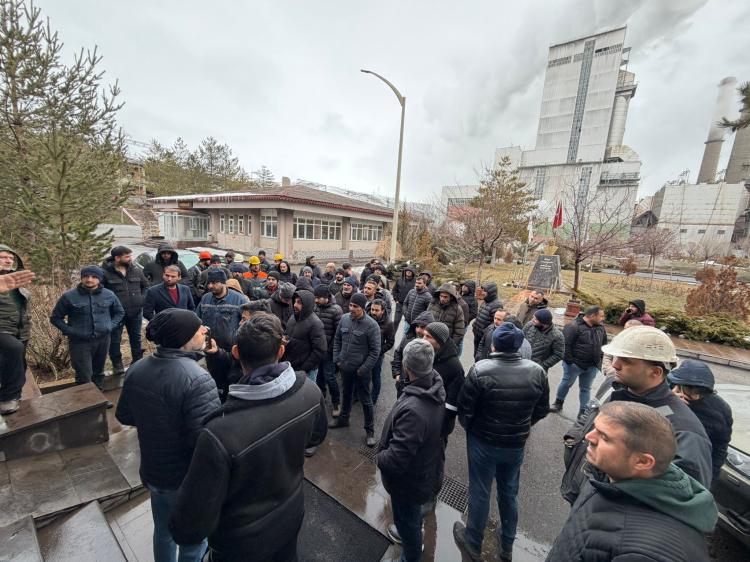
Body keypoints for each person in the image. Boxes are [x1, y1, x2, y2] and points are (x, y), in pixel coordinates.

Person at [169, 313, 328, 562]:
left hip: (240, 544)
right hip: (291, 516)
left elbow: (188, 528)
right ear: (281, 351)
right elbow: (316, 437)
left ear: (235, 352)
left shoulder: (219, 433)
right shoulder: (310, 391)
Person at [547, 402, 717, 562]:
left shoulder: (645, 554)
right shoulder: (610, 477)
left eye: (604, 437)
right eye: (595, 428)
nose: (588, 436)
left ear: (642, 462)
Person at [560, 326, 713, 504]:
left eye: (626, 360)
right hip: (582, 494)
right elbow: (588, 414)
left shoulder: (683, 430)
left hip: (611, 513)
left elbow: (680, 500)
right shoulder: (612, 384)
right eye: (616, 357)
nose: (615, 364)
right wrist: (572, 438)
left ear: (655, 372)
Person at [115, 309, 220, 562]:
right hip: (185, 478)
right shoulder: (198, 379)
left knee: (163, 531)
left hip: (154, 473)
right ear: (183, 339)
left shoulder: (137, 368)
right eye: (198, 328)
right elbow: (207, 441)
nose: (204, 330)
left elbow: (124, 415)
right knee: (194, 540)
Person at [454, 323, 549, 562]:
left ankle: (473, 542)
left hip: (482, 441)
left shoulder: (480, 370)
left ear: (494, 345)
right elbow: (541, 410)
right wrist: (522, 427)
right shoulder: (537, 371)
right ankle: (507, 545)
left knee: (480, 491)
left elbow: (465, 409)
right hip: (515, 444)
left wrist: (472, 428)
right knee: (509, 493)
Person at [378, 339, 445, 562]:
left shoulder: (414, 411)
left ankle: (410, 555)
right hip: (424, 469)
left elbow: (396, 459)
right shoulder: (434, 384)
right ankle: (411, 533)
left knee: (407, 521)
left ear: (406, 365)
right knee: (411, 517)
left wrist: (381, 456)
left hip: (409, 482)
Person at [50, 266, 125, 407]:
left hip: (103, 340)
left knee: (99, 371)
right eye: (86, 276)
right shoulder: (69, 296)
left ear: (100, 278)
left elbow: (120, 312)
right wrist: (70, 331)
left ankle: (99, 400)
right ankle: (86, 404)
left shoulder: (109, 295)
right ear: (81, 277)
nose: (89, 279)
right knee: (84, 374)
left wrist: (109, 326)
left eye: (94, 276)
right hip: (80, 342)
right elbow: (55, 318)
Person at [329, 292, 381, 446]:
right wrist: (337, 360)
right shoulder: (344, 319)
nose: (351, 308)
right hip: (345, 367)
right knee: (346, 393)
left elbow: (375, 352)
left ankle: (369, 430)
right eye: (351, 305)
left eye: (355, 306)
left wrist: (363, 369)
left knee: (365, 400)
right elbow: (337, 340)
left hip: (361, 372)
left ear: (363, 308)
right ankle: (343, 419)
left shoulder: (372, 325)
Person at [669, 360, 733, 482]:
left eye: (702, 392)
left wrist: (709, 478)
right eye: (690, 390)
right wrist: (668, 402)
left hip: (694, 472)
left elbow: (720, 448)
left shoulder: (720, 409)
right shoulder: (661, 394)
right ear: (678, 385)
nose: (696, 396)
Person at [204, 301, 271, 402]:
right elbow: (233, 363)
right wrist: (217, 351)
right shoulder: (244, 340)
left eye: (244, 319)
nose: (240, 323)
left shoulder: (265, 348)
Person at [551, 306, 607, 419]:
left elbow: (604, 344)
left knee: (586, 388)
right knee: (566, 384)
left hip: (592, 366)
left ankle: (583, 412)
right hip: (575, 365)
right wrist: (570, 362)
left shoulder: (601, 327)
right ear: (593, 316)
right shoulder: (573, 326)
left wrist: (599, 360)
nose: (603, 318)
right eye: (601, 316)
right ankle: (558, 403)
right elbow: (565, 345)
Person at [101, 246, 148, 375]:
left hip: (136, 312)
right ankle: (117, 364)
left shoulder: (136, 270)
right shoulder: (105, 273)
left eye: (130, 256)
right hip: (115, 314)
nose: (130, 259)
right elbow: (100, 292)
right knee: (115, 339)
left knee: (136, 338)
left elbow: (146, 286)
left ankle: (137, 362)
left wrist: (142, 299)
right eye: (127, 257)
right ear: (117, 258)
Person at [0, 245, 32, 415]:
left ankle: (13, 394)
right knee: (14, 349)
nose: (8, 260)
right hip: (2, 329)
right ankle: (8, 397)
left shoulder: (15, 280)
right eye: (3, 257)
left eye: (11, 258)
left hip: (20, 330)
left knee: (18, 364)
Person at [422, 322, 465, 444]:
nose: (424, 339)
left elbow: (452, 406)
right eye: (424, 335)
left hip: (438, 429)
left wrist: (435, 422)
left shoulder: (455, 368)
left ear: (440, 341)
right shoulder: (427, 354)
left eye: (428, 336)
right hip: (421, 421)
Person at [195, 269, 245, 351]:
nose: (210, 286)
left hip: (230, 349)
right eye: (209, 283)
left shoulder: (239, 300)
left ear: (223, 283)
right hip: (209, 347)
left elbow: (248, 323)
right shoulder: (205, 298)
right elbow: (197, 320)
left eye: (214, 283)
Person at [283, 290, 327, 385]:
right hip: (292, 367)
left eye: (299, 303)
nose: (295, 305)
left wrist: (304, 369)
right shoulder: (293, 317)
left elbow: (320, 350)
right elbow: (288, 333)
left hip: (307, 372)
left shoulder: (315, 323)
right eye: (295, 302)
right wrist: (284, 338)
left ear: (307, 304)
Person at [314, 285, 343, 417]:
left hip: (329, 352)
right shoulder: (315, 308)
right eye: (314, 297)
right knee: (319, 376)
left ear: (325, 297)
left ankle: (336, 402)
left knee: (330, 377)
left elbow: (338, 334)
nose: (316, 300)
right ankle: (321, 398)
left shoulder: (336, 310)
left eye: (318, 298)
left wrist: (330, 350)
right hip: (317, 350)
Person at [391, 311, 435, 391]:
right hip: (402, 384)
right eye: (417, 326)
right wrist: (396, 373)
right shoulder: (408, 338)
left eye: (422, 327)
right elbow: (398, 354)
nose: (418, 330)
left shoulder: (432, 347)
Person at [368, 299, 395, 406]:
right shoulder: (367, 317)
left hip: (377, 357)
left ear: (383, 311)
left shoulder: (388, 323)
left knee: (376, 378)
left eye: (376, 310)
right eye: (372, 309)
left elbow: (390, 342)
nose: (373, 312)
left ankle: (373, 398)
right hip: (365, 353)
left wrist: (379, 352)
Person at [427, 283, 465, 348]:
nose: (442, 299)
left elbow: (459, 331)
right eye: (441, 296)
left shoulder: (457, 309)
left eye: (445, 297)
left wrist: (451, 346)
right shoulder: (433, 304)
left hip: (446, 343)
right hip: (430, 341)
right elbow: (426, 320)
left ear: (451, 297)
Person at [471, 282, 503, 356]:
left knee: (481, 357)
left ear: (491, 292)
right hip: (478, 336)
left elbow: (495, 324)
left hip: (484, 338)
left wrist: (485, 333)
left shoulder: (497, 304)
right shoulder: (485, 301)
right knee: (476, 355)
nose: (482, 293)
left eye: (485, 291)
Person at [392, 265, 416, 330]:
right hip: (399, 303)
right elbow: (394, 290)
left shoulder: (415, 281)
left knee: (408, 322)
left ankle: (406, 335)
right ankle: (392, 335)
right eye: (407, 271)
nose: (408, 272)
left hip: (409, 305)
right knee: (396, 321)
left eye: (410, 271)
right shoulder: (399, 280)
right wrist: (396, 300)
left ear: (413, 273)